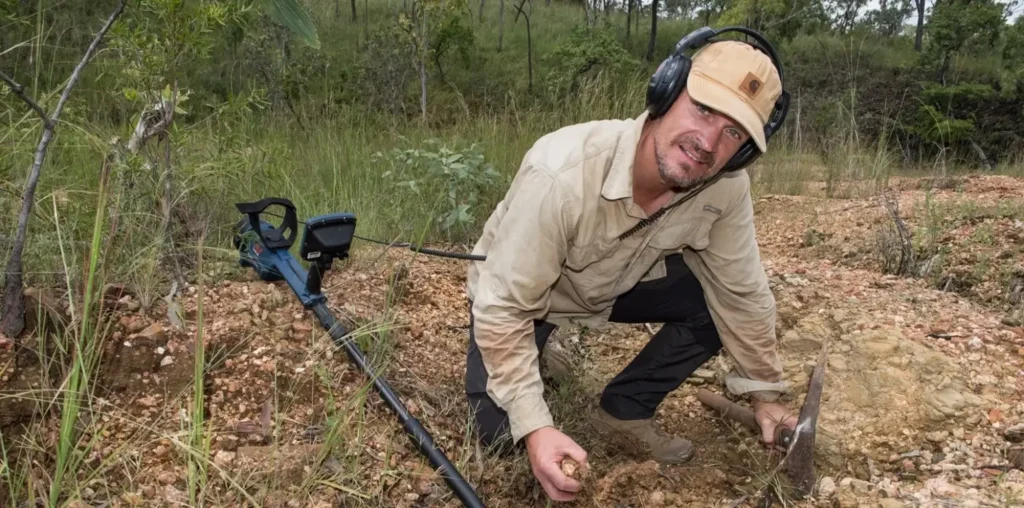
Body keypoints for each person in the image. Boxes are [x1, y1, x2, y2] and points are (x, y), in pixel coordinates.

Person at [463, 26, 797, 502]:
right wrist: (536, 428)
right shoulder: (562, 171)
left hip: (614, 284)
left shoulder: (724, 188)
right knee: (502, 436)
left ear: (743, 152)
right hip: (523, 298)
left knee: (714, 303)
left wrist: (766, 394)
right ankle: (539, 352)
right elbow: (503, 306)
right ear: (666, 91)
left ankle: (625, 408)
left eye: (733, 133)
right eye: (703, 108)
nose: (707, 142)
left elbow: (741, 292)